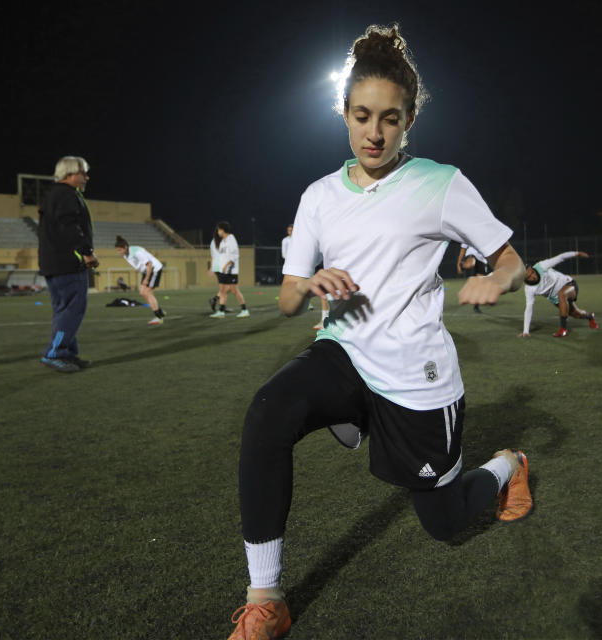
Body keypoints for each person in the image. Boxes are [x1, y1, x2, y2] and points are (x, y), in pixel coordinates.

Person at [228, 25, 532, 640]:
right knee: (267, 414)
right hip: (343, 353)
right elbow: (288, 298)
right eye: (362, 116)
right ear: (343, 114)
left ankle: (508, 465)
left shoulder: (440, 183)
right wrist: (311, 282)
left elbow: (511, 261)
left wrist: (499, 281)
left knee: (444, 523)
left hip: (415, 377)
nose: (374, 132)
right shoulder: (318, 198)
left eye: (389, 119)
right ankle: (267, 598)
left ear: (409, 121)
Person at [37, 156, 97, 373]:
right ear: (71, 173)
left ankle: (68, 353)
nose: (86, 177)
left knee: (64, 310)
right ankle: (55, 353)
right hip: (66, 264)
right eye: (83, 173)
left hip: (55, 263)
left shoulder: (55, 195)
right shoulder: (65, 195)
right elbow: (69, 226)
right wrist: (87, 253)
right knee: (72, 310)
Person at [519, 250, 597, 337]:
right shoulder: (529, 289)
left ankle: (563, 330)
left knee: (562, 294)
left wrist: (576, 253)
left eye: (532, 272)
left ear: (532, 268)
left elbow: (560, 257)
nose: (533, 276)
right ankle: (590, 316)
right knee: (576, 314)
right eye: (529, 277)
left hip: (569, 284)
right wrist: (526, 331)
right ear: (525, 279)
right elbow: (529, 308)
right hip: (556, 299)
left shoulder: (542, 266)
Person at [114, 235, 166, 325]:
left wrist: (146, 279)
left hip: (154, 269)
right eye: (117, 250)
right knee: (142, 293)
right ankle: (160, 312)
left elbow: (149, 264)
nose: (119, 252)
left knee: (148, 293)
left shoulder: (137, 252)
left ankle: (159, 317)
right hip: (146, 271)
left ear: (125, 247)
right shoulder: (126, 255)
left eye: (120, 250)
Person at [209, 222, 249, 318]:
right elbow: (221, 256)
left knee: (235, 290)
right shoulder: (222, 242)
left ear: (223, 230)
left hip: (231, 271)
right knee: (222, 291)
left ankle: (244, 310)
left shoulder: (231, 239)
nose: (218, 232)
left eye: (219, 230)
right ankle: (221, 311)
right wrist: (218, 267)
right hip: (223, 271)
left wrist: (226, 265)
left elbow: (235, 256)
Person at [456, 243, 489, 312]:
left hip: (482, 259)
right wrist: (458, 264)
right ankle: (464, 265)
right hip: (471, 255)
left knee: (480, 284)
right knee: (470, 264)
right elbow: (463, 249)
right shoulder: (468, 233)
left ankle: (476, 306)